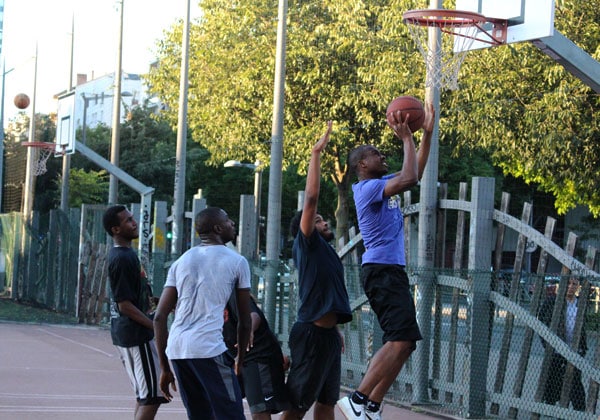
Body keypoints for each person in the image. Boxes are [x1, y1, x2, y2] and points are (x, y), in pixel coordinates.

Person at [337, 101, 435, 420]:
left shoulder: (380, 184)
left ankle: (372, 406)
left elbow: (414, 172)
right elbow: (409, 180)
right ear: (362, 164)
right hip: (381, 271)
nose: (382, 155)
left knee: (406, 344)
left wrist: (427, 134)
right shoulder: (366, 189)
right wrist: (406, 137)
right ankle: (357, 398)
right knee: (400, 339)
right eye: (376, 153)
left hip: (390, 271)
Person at [153, 207, 252, 419]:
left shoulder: (180, 262)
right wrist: (240, 359)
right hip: (208, 348)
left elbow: (160, 317)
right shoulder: (237, 261)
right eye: (228, 221)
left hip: (178, 349)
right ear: (217, 228)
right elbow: (245, 321)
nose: (232, 223)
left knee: (199, 415)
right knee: (232, 414)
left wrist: (164, 367)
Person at [283, 121, 353, 420]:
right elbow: (310, 198)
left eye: (325, 220)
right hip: (310, 335)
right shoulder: (307, 243)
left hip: (326, 336)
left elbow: (327, 293)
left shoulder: (328, 252)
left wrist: (335, 329)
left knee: (326, 402)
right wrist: (316, 154)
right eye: (319, 219)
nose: (324, 223)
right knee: (297, 405)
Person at [102, 205, 169, 420]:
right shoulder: (122, 258)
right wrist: (154, 325)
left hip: (131, 333)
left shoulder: (127, 254)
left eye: (133, 218)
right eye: (128, 220)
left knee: (146, 395)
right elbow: (124, 305)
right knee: (152, 396)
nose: (134, 222)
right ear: (116, 229)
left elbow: (135, 297)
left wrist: (159, 302)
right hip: (136, 334)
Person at [223, 293, 291, 419]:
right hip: (238, 359)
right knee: (222, 403)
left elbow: (253, 315)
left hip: (258, 355)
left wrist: (248, 330)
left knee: (260, 411)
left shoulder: (232, 293)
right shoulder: (205, 299)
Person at [539, 276, 587, 411]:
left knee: (575, 379)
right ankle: (551, 407)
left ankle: (580, 409)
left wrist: (582, 348)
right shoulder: (552, 302)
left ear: (578, 287)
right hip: (556, 349)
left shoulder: (580, 304)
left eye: (574, 284)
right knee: (553, 379)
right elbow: (542, 321)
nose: (571, 286)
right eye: (568, 283)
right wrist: (547, 344)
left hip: (575, 349)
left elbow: (582, 327)